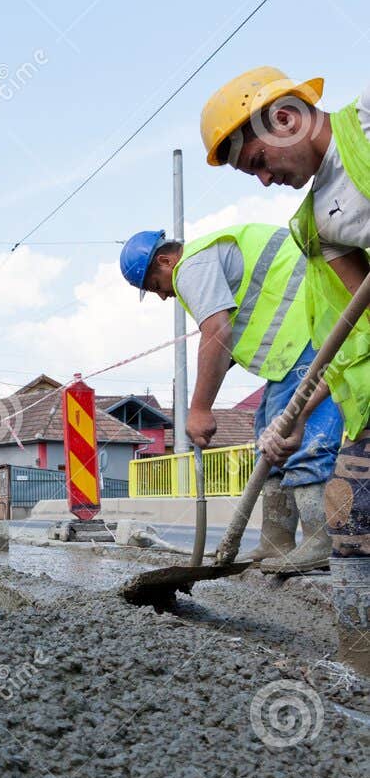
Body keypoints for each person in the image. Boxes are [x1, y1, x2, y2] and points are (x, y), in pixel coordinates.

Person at [200, 65, 370, 662]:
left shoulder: (366, 128)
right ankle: (358, 670)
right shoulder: (316, 225)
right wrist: (297, 415)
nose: (266, 180)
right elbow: (355, 333)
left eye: (259, 164)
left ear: (286, 118)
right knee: (349, 515)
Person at [119, 222, 341, 571]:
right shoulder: (208, 261)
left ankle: (320, 539)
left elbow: (216, 332)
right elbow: (225, 341)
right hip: (293, 345)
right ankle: (276, 542)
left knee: (297, 438)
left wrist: (200, 409)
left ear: (164, 261)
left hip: (311, 329)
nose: (162, 296)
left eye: (155, 285)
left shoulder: (192, 265)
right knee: (268, 437)